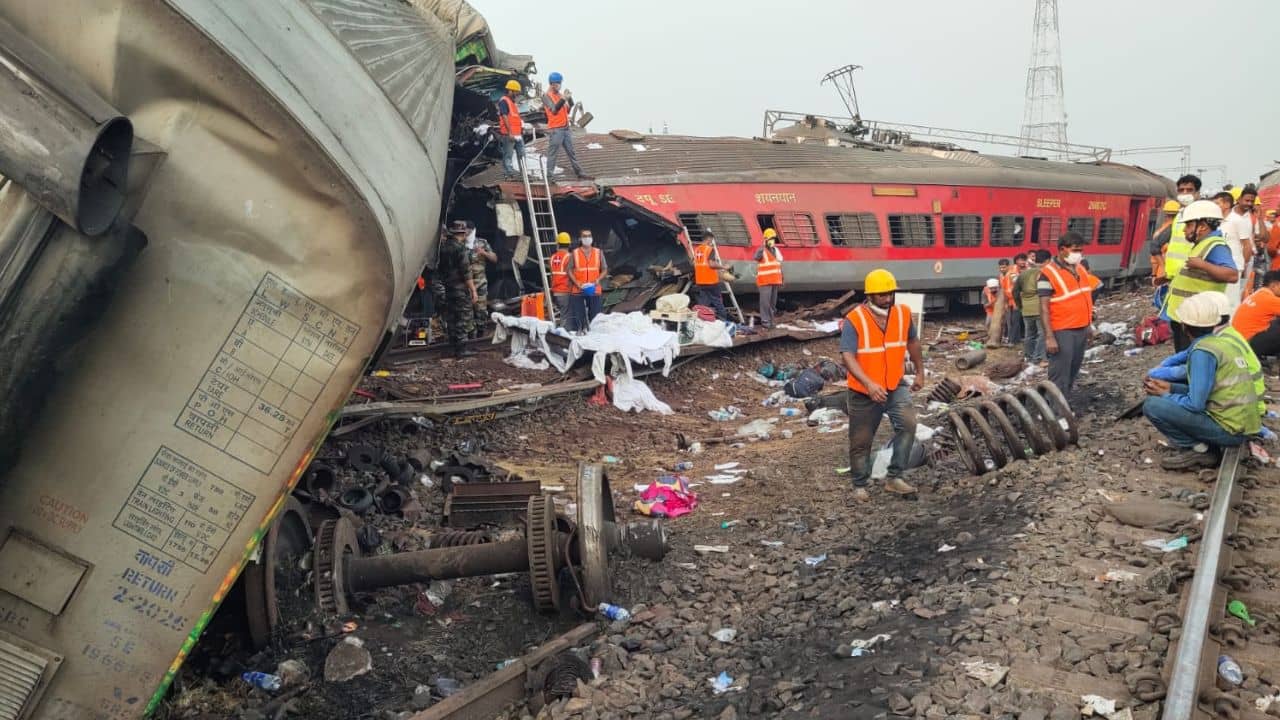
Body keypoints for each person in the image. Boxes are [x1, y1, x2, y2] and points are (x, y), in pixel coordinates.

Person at [1143, 291, 1264, 470]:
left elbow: (1195, 405)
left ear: (1184, 326)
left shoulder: (1203, 352)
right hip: (1243, 424)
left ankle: (1200, 450)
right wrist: (1171, 389)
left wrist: (1166, 395)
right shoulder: (1221, 342)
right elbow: (1211, 391)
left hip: (1230, 431)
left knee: (1152, 405)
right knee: (1169, 395)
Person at [840, 268, 924, 498]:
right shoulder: (855, 319)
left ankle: (895, 477)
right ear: (870, 295)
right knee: (861, 440)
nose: (887, 298)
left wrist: (920, 372)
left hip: (895, 384)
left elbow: (913, 342)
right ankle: (859, 484)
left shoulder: (903, 313)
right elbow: (847, 355)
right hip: (863, 391)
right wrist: (868, 384)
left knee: (908, 425)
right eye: (882, 295)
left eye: (890, 294)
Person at [1163, 200, 1237, 351]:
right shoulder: (1203, 244)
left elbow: (1232, 275)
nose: (1184, 230)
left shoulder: (1216, 246)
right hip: (1187, 316)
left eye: (1188, 225)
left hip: (1197, 319)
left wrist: (1202, 265)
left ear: (1202, 226)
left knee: (1191, 357)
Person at [1038, 232, 1093, 394]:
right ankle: (1054, 407)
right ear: (1062, 249)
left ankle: (1064, 403)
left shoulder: (1080, 268)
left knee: (1073, 370)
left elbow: (1085, 297)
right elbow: (1043, 308)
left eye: (1081, 250)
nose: (1079, 254)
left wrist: (1089, 325)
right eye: (1075, 250)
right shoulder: (1047, 273)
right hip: (1062, 331)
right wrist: (1049, 337)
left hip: (1082, 328)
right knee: (1059, 374)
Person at [439, 221, 478, 357]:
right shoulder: (460, 249)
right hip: (460, 289)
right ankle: (462, 349)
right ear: (464, 233)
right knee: (462, 317)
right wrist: (473, 290)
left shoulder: (443, 247)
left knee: (452, 317)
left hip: (448, 287)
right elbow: (466, 272)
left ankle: (453, 346)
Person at [541, 72, 585, 179]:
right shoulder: (546, 96)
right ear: (552, 84)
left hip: (565, 128)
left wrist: (569, 98)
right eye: (557, 83)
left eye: (560, 83)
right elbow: (554, 110)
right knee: (553, 153)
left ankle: (579, 172)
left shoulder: (560, 95)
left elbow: (568, 110)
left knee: (571, 152)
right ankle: (550, 175)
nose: (559, 86)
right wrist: (563, 99)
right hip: (556, 129)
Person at [1163, 174, 1204, 282]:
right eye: (1181, 190)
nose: (1185, 193)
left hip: (1189, 273)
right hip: (1173, 272)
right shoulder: (1179, 214)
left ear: (1197, 193)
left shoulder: (1201, 215)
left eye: (1189, 190)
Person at [565, 229, 607, 332]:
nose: (587, 238)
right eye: (585, 236)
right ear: (580, 238)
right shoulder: (575, 253)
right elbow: (569, 270)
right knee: (579, 319)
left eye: (589, 236)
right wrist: (576, 283)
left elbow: (605, 269)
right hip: (578, 290)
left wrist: (598, 279)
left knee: (596, 319)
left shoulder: (598, 252)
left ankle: (594, 336)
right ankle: (580, 334)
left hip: (594, 290)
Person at [1232, 270, 1280, 356]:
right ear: (1274, 285)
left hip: (1239, 339)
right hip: (1248, 343)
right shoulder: (1270, 299)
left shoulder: (1258, 294)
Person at [1017, 249, 1050, 364]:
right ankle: (1038, 357)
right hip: (1039, 309)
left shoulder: (1023, 274)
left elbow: (1015, 292)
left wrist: (1020, 306)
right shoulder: (1044, 273)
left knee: (1029, 334)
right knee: (1042, 334)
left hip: (1026, 310)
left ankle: (1029, 356)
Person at [465, 221, 496, 338]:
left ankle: (480, 334)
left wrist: (484, 253)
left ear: (471, 230)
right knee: (467, 311)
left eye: (466, 229)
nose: (464, 232)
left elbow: (494, 258)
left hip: (480, 282)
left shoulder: (482, 242)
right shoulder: (460, 243)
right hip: (465, 283)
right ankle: (470, 336)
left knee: (481, 311)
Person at [690, 230, 728, 321]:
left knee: (703, 304)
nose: (711, 242)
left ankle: (702, 321)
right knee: (718, 302)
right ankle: (723, 321)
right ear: (709, 239)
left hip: (700, 281)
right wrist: (723, 267)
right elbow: (711, 264)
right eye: (711, 240)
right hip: (711, 281)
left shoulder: (697, 250)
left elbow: (694, 263)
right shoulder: (710, 249)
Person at [754, 228, 784, 328]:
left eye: (773, 239)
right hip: (765, 281)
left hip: (775, 280)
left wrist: (782, 278)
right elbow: (756, 257)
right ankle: (765, 321)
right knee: (765, 302)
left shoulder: (776, 250)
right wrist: (763, 246)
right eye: (771, 239)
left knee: (772, 303)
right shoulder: (761, 250)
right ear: (766, 239)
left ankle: (771, 321)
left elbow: (778, 264)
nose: (773, 241)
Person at [496, 79, 525, 176]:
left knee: (522, 154)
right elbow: (504, 117)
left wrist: (520, 130)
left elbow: (515, 118)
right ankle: (508, 173)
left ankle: (523, 172)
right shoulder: (504, 101)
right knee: (508, 155)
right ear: (510, 91)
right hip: (509, 134)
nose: (517, 94)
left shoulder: (512, 103)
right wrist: (510, 132)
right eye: (516, 92)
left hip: (517, 134)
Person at [1149, 199, 1181, 284]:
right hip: (1177, 273)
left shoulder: (1159, 232)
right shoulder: (1181, 230)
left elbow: (1154, 256)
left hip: (1162, 273)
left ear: (1165, 214)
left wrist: (1154, 274)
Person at [548, 231, 573, 326]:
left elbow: (551, 275)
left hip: (556, 292)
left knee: (564, 313)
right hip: (566, 291)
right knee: (567, 316)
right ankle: (564, 332)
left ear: (558, 244)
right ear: (569, 244)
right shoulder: (569, 257)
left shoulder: (552, 258)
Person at [1005, 254, 1027, 344]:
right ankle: (1013, 341)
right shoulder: (1012, 273)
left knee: (1022, 320)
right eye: (1021, 260)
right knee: (1015, 321)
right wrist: (1015, 301)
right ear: (1016, 261)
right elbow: (1011, 289)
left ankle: (1020, 338)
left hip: (1024, 300)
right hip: (1016, 301)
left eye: (1024, 260)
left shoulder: (1026, 269)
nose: (1023, 262)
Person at [987, 259, 1010, 347]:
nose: (1002, 269)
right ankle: (994, 339)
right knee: (990, 323)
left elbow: (1008, 290)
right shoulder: (1001, 276)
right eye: (1000, 267)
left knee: (1007, 322)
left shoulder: (1010, 275)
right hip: (993, 310)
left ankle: (1006, 337)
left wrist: (1006, 303)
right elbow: (985, 305)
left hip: (1008, 302)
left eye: (1004, 267)